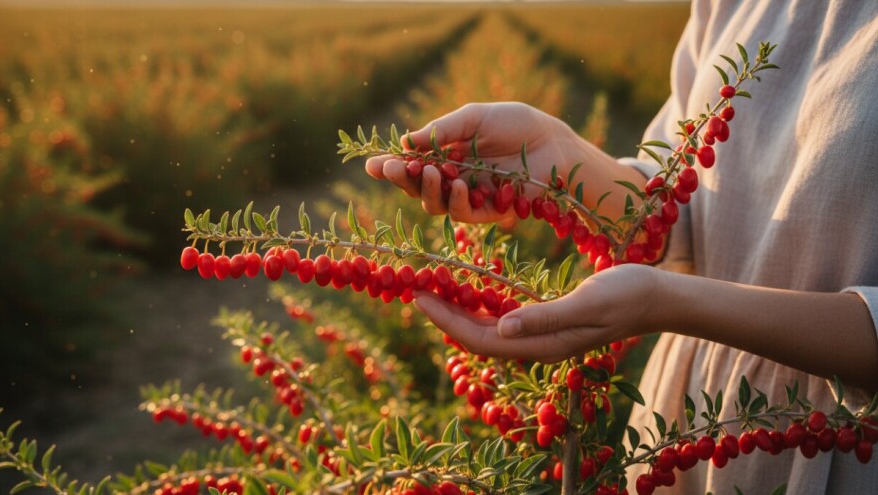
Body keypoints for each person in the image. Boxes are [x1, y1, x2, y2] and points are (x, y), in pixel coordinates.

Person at [365, 0, 878, 492]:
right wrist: (562, 158)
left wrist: (664, 302)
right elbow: (680, 209)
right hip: (689, 421)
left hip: (844, 444)